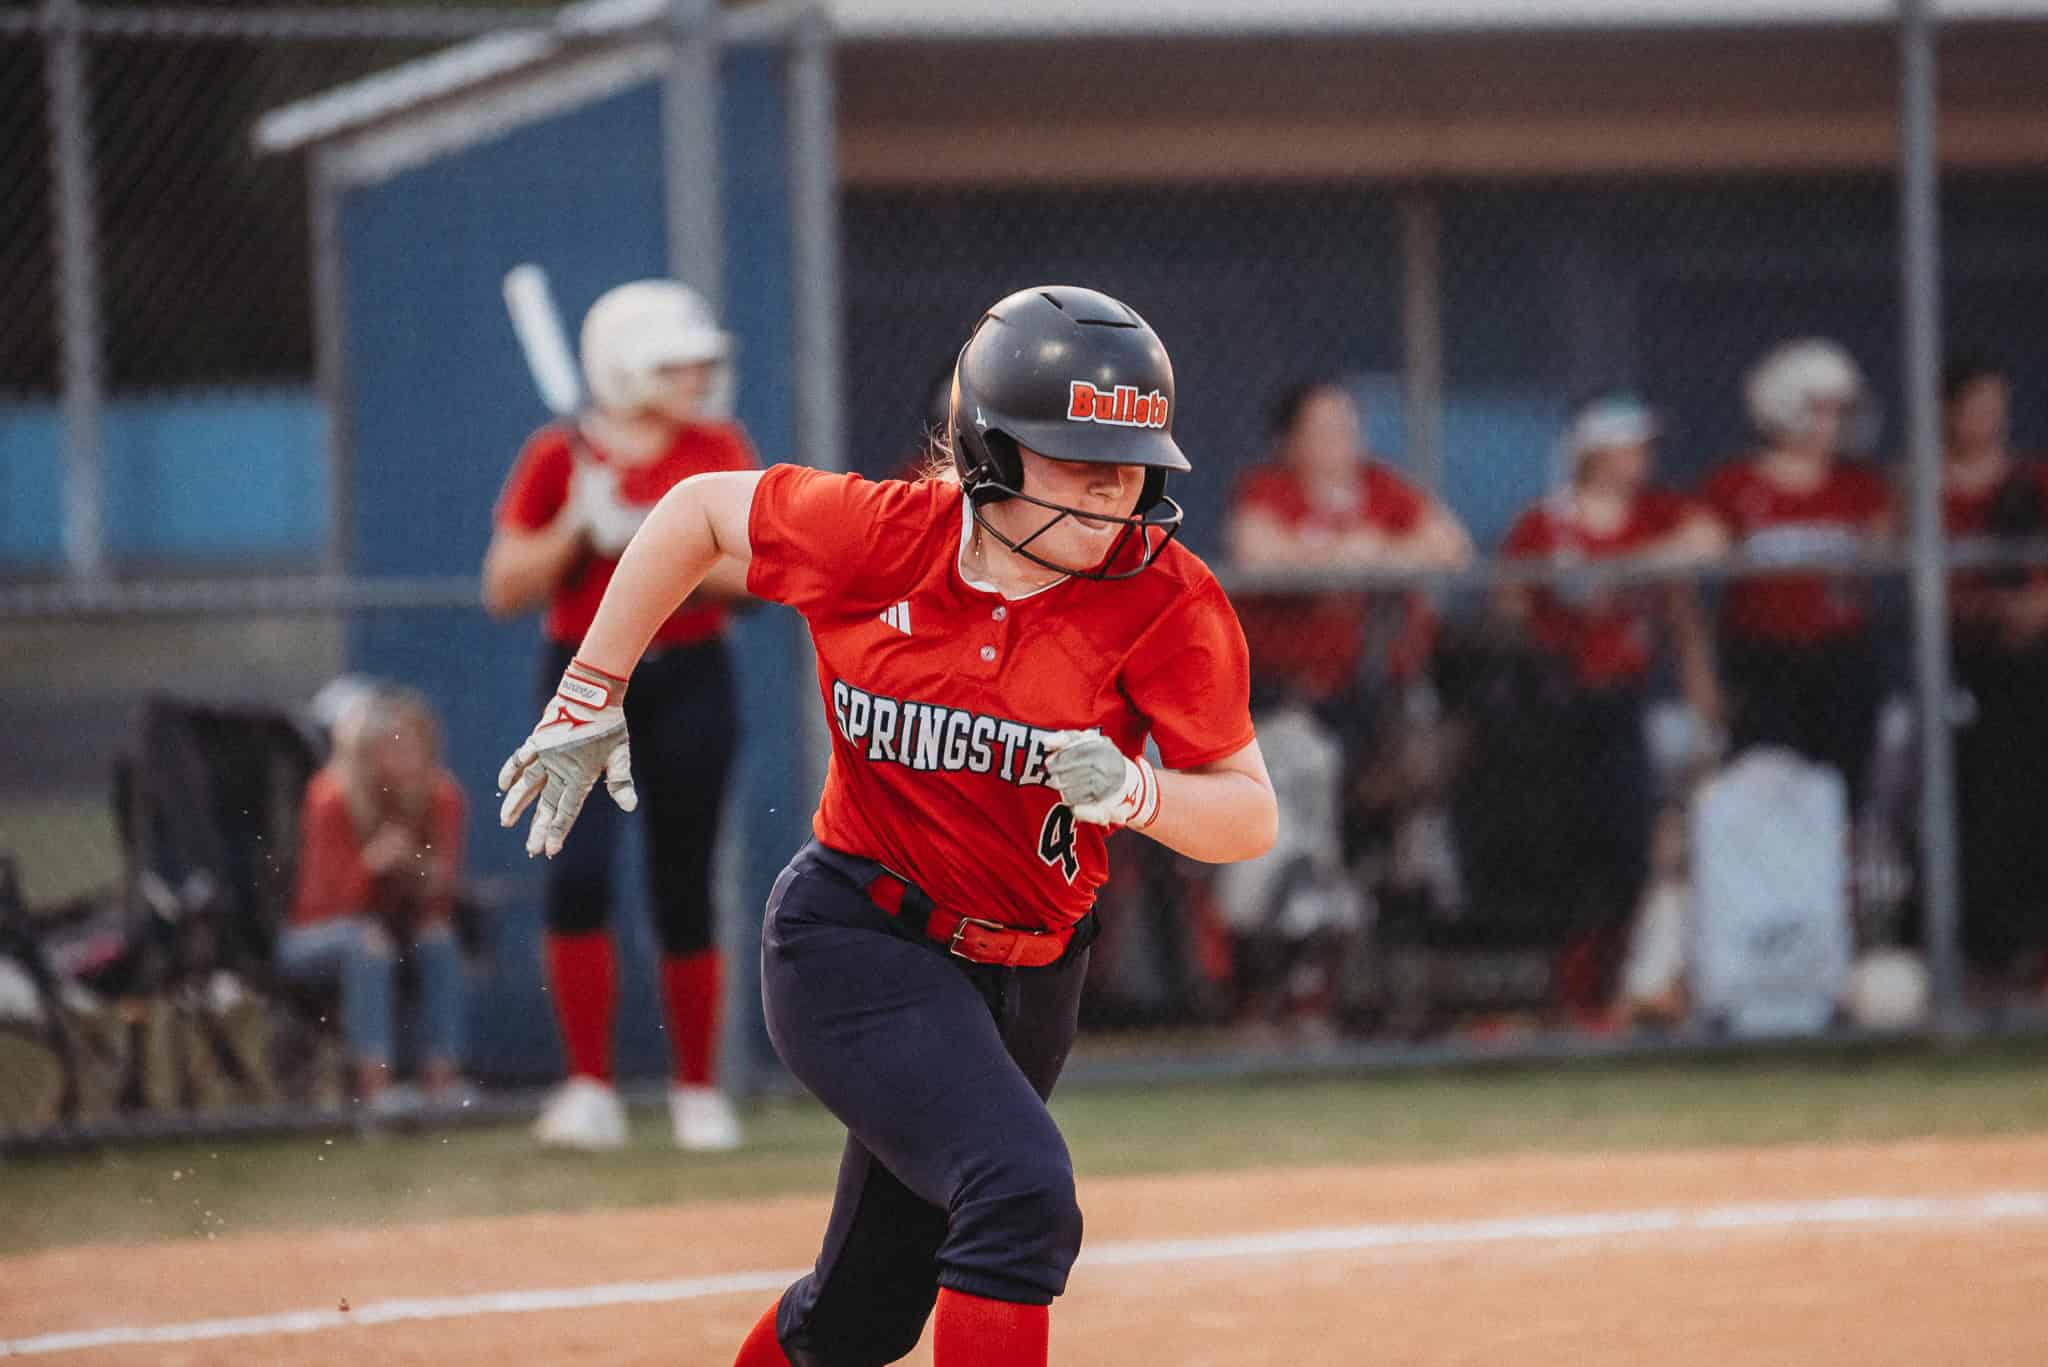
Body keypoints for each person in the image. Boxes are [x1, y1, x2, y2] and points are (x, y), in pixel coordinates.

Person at [497, 285, 1278, 1367]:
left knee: (859, 1314)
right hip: (855, 939)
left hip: (1032, 974)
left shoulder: (1164, 598)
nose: (1114, 484)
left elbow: (1246, 812)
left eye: (1133, 456)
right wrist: (591, 689)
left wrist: (1142, 794)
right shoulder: (883, 535)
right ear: (989, 449)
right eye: (1074, 454)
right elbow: (693, 514)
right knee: (1018, 1191)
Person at [482, 279, 756, 1152]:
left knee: (684, 879)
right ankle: (589, 1086)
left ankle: (697, 1092)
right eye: (676, 364)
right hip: (586, 677)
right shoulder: (559, 456)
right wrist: (576, 528)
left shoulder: (715, 447)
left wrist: (658, 541)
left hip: (690, 675)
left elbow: (759, 577)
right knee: (578, 872)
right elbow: (504, 585)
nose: (695, 379)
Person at [1222, 379, 1469, 1035]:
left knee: (1405, 838)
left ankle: (1376, 1000)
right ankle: (1275, 1000)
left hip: (1370, 710)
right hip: (1285, 708)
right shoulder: (1269, 489)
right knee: (1291, 837)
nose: (1343, 438)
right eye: (1326, 426)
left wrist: (1371, 550)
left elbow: (1450, 544)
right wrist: (1344, 553)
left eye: (1348, 424)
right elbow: (1257, 548)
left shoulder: (1381, 489)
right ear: (1292, 440)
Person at [1496, 395, 1725, 1025]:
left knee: (1631, 843)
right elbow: (1506, 609)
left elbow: (1706, 545)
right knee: (1567, 846)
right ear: (1593, 453)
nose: (1640, 460)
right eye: (1627, 447)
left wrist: (1626, 567)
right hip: (1560, 705)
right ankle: (1573, 992)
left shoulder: (1653, 514)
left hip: (1627, 703)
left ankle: (1622, 985)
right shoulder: (1547, 522)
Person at [1702, 338, 1894, 803]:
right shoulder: (1735, 483)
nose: (1836, 424)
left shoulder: (1859, 485)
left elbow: (1888, 538)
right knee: (1769, 788)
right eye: (1824, 410)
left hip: (1841, 655)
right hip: (1765, 660)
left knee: (1845, 784)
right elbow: (1701, 545)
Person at [281, 686, 470, 1110]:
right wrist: (374, 866)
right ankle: (376, 1090)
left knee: (437, 938)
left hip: (392, 929)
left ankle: (442, 1085)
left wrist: (423, 879)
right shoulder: (331, 796)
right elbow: (320, 906)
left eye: (414, 747)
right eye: (390, 748)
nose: (404, 761)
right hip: (312, 937)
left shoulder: (442, 797)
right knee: (367, 943)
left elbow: (442, 901)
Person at [1939, 355, 2048, 986]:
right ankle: (1983, 959)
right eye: (1975, 404)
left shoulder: (2031, 480)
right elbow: (1933, 590)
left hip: (2031, 671)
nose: (1990, 418)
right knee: (1980, 810)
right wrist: (1989, 609)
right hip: (1964, 671)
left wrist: (2032, 607)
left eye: (1997, 404)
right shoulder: (1925, 485)